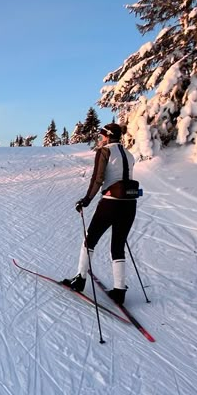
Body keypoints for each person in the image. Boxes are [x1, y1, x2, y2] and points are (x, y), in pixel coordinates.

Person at [61, 122, 137, 305]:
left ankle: (80, 280)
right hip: (130, 204)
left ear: (109, 136)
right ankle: (119, 291)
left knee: (90, 239)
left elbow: (98, 179)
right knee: (118, 245)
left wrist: (86, 200)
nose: (101, 138)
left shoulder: (104, 152)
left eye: (103, 135)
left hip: (111, 203)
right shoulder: (129, 154)